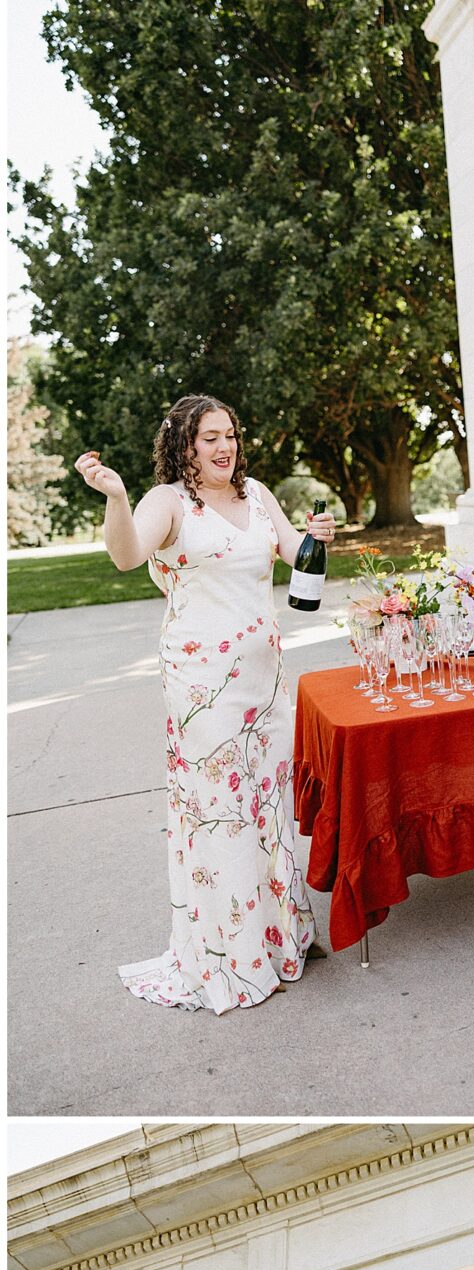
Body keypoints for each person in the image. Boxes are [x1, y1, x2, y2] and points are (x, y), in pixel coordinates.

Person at [74, 395, 335, 1014]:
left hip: (263, 680)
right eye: (209, 437)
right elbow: (126, 554)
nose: (225, 447)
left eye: (230, 435)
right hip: (203, 685)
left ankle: (278, 936)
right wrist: (114, 495)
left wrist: (316, 538)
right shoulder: (167, 501)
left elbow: (294, 554)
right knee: (220, 809)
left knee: (263, 802)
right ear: (185, 446)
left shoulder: (258, 494)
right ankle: (230, 954)